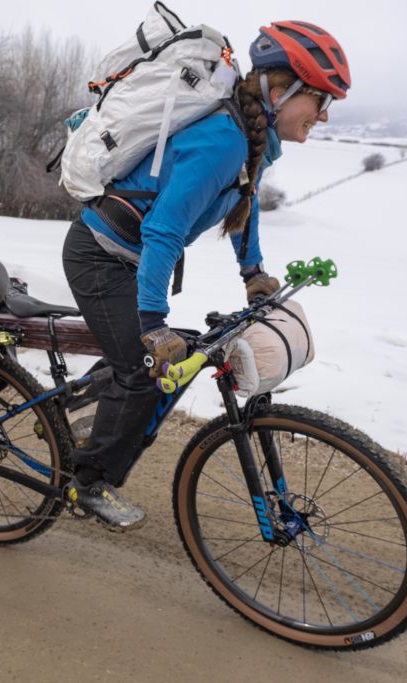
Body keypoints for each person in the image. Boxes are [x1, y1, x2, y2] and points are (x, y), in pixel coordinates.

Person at [62, 21, 351, 530]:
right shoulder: (223, 140)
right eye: (320, 101)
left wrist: (253, 271)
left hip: (131, 258)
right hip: (100, 254)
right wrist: (153, 320)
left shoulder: (247, 140)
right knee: (145, 369)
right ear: (280, 92)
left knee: (176, 358)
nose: (323, 116)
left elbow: (246, 201)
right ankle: (87, 482)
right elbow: (164, 230)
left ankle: (80, 408)